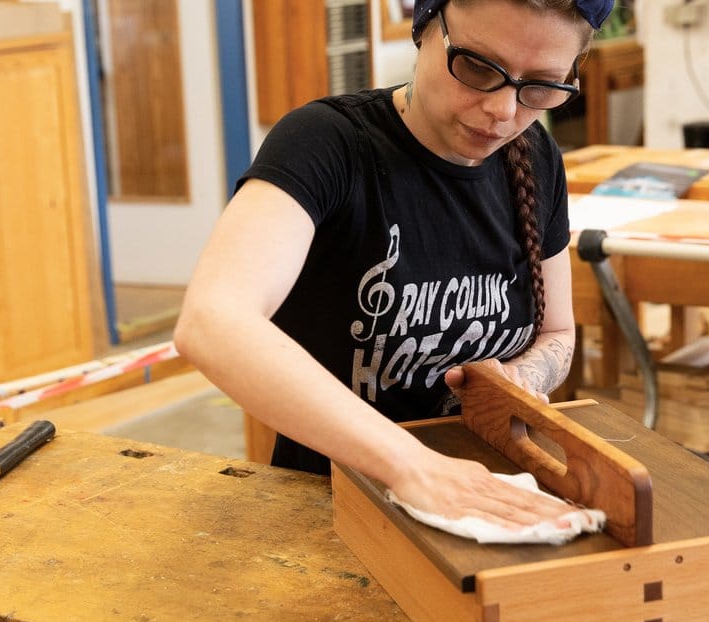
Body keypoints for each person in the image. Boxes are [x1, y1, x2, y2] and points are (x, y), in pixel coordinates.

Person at [175, 0, 613, 530]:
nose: (503, 111)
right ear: (425, 29)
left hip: (489, 497)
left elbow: (558, 332)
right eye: (477, 68)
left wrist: (522, 377)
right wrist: (412, 466)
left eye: (540, 87)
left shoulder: (537, 156)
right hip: (330, 508)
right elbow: (211, 321)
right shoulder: (327, 144)